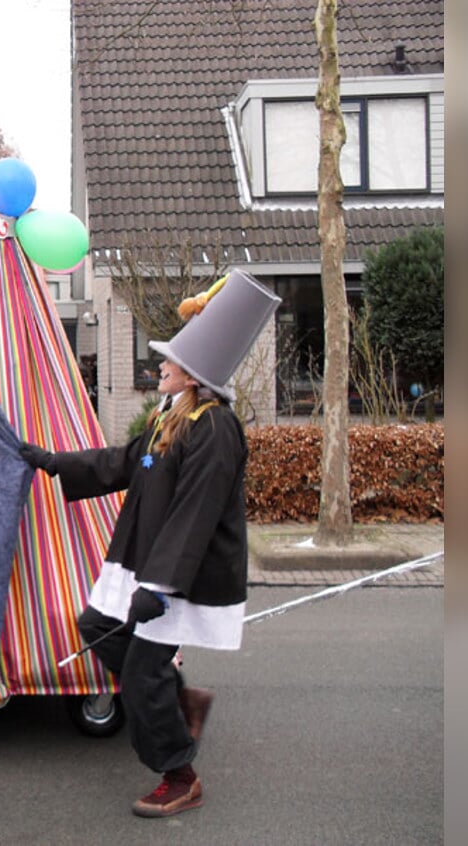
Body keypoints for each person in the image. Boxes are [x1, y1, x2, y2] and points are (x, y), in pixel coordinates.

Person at [20, 270, 279, 819]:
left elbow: (196, 515)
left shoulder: (213, 429)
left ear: (195, 374)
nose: (160, 363)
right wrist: (53, 462)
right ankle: (180, 703)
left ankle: (179, 774)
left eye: (170, 359)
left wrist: (158, 588)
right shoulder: (173, 415)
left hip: (180, 574)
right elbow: (124, 461)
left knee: (140, 670)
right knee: (96, 626)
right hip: (147, 561)